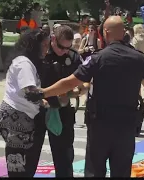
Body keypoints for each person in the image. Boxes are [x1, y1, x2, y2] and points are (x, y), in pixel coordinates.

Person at [24, 16, 144, 177]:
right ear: (123, 32)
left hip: (99, 125)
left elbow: (70, 82)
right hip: (126, 126)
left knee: (94, 170)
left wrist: (43, 92)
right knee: (121, 171)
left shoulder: (98, 58)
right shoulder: (139, 58)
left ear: (106, 33)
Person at [36, 25, 89, 177]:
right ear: (53, 39)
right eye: (61, 47)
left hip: (63, 108)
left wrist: (80, 90)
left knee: (64, 157)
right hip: (38, 108)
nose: (64, 51)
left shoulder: (73, 56)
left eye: (68, 47)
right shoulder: (41, 54)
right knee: (31, 153)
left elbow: (85, 79)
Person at [0, 29, 50, 177]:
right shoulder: (23, 63)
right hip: (17, 116)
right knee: (18, 166)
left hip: (23, 115)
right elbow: (30, 91)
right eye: (44, 45)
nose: (47, 49)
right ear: (34, 45)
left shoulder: (28, 62)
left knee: (26, 162)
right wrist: (54, 93)